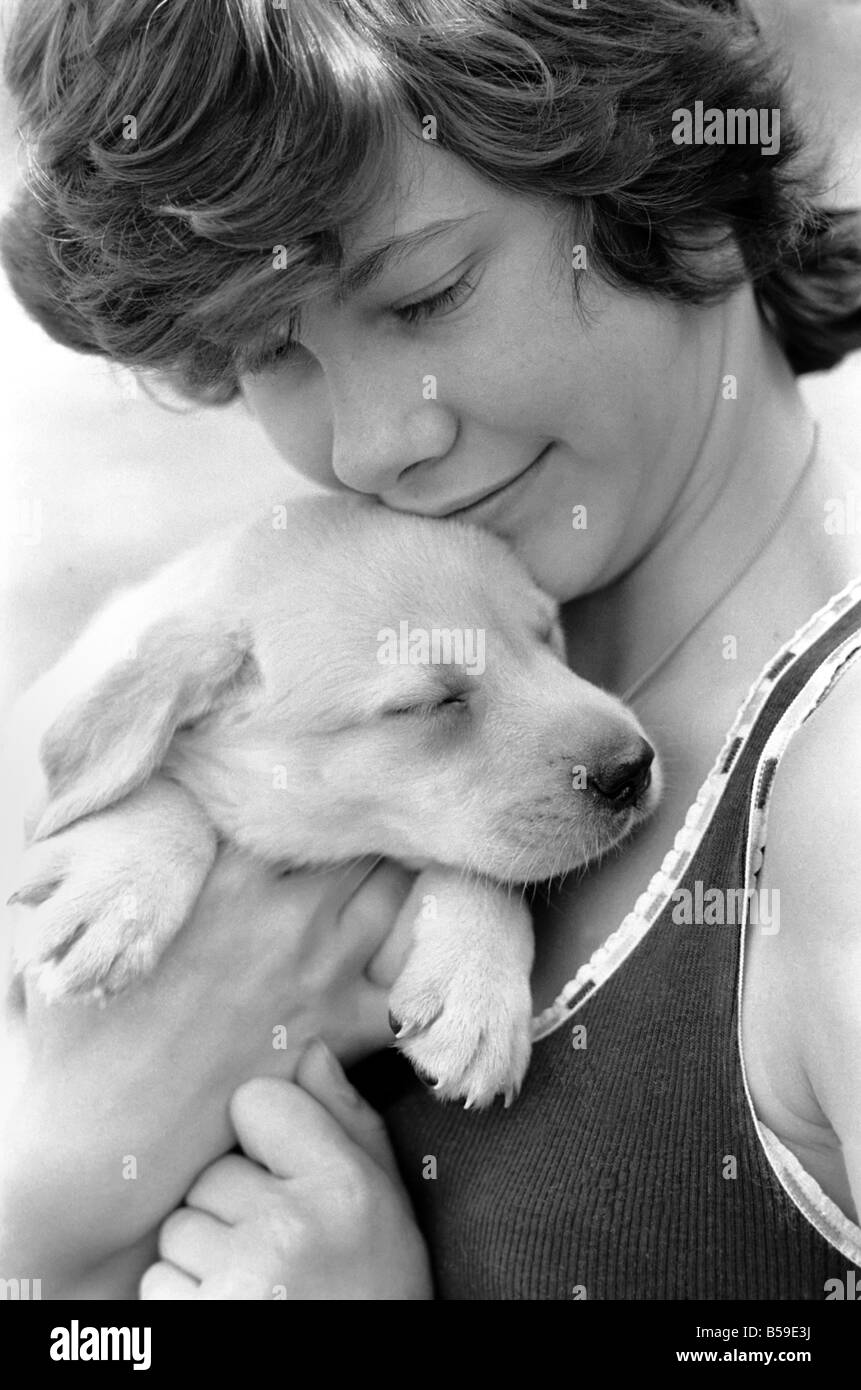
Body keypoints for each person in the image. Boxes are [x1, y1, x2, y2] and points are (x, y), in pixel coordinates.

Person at [1, 0, 861, 1300]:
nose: (364, 446)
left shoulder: (838, 813)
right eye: (268, 353)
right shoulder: (314, 687)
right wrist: (56, 1219)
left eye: (426, 293)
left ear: (669, 172)